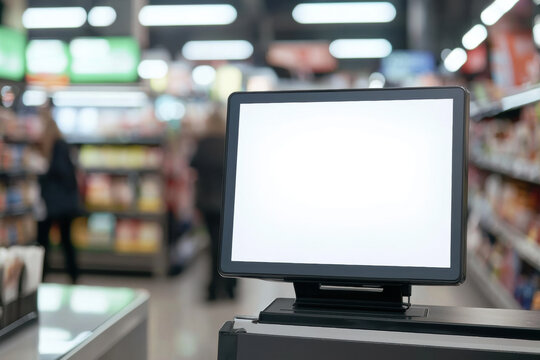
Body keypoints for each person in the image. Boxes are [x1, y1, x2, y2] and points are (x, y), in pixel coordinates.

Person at [191, 109, 236, 301]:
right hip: (227, 204)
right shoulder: (229, 141)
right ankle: (230, 287)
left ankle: (212, 289)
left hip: (206, 203)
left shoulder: (203, 144)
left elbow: (192, 164)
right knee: (227, 246)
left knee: (213, 246)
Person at [36, 105, 80, 283]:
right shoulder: (63, 146)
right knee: (64, 242)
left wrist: (44, 171)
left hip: (54, 203)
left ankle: (43, 278)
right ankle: (70, 276)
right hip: (62, 203)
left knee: (46, 242)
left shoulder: (57, 148)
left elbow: (62, 172)